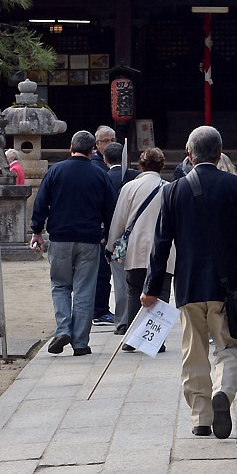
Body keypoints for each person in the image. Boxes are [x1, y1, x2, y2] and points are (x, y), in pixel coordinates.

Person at [142, 125, 237, 440]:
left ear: (189, 155)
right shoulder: (235, 187)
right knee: (229, 345)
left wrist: (151, 289)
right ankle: (224, 391)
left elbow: (161, 243)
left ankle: (201, 417)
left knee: (193, 351)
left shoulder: (172, 190)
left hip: (189, 286)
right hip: (228, 286)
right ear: (219, 154)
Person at [29, 130, 112, 356]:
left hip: (60, 237)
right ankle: (80, 342)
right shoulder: (100, 174)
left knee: (60, 285)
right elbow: (109, 210)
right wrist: (107, 235)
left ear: (71, 148)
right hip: (90, 238)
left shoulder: (56, 171)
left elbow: (41, 203)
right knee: (85, 290)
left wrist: (37, 230)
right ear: (92, 150)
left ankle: (63, 328)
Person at [101, 142, 143, 334]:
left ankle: (123, 321)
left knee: (120, 283)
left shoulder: (103, 178)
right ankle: (141, 321)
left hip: (116, 238)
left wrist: (107, 242)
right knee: (140, 282)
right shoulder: (136, 177)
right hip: (140, 236)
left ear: (104, 158)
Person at [90, 126, 119, 323]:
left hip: (109, 225)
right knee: (100, 271)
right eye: (105, 141)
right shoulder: (96, 166)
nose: (109, 144)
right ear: (97, 144)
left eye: (112, 140)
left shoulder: (113, 164)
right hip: (99, 227)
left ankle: (100, 308)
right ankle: (99, 311)